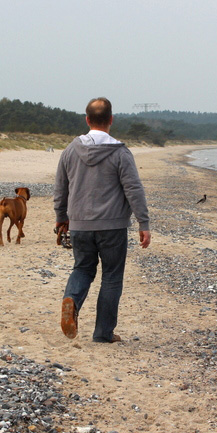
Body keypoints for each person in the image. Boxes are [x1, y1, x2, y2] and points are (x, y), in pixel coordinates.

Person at [54, 97, 151, 344]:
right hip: (113, 226)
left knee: (83, 269)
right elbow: (133, 189)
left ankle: (72, 301)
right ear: (111, 120)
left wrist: (61, 218)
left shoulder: (70, 151)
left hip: (79, 225)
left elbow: (60, 188)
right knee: (111, 276)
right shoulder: (120, 152)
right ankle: (103, 333)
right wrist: (144, 223)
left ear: (87, 120)